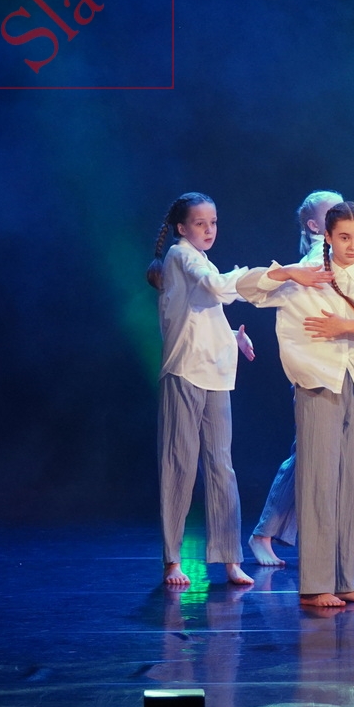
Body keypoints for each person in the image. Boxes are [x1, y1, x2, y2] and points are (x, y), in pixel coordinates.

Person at [236, 201, 354, 607]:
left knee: (353, 484)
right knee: (317, 482)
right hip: (317, 383)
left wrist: (352, 326)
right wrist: (285, 273)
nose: (352, 245)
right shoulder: (305, 276)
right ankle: (316, 584)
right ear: (327, 236)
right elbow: (245, 287)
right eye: (344, 237)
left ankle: (345, 580)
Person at [147, 192, 276, 587]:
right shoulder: (180, 255)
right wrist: (260, 275)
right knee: (180, 465)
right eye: (200, 223)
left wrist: (232, 337)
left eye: (213, 222)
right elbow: (218, 289)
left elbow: (210, 310)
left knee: (222, 466)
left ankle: (229, 557)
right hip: (185, 372)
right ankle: (172, 560)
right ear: (182, 228)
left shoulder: (204, 262)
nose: (209, 229)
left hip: (216, 375)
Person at [250, 189, 348, 567]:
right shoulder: (313, 261)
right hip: (316, 371)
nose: (341, 214)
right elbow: (270, 294)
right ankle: (263, 533)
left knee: (332, 457)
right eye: (332, 212)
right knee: (307, 455)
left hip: (341, 370)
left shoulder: (341, 257)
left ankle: (331, 537)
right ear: (314, 225)